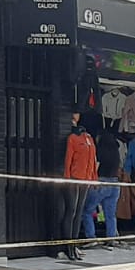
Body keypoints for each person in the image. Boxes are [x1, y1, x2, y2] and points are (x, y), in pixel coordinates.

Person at [59, 112, 97, 261]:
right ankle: (68, 246)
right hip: (74, 178)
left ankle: (74, 245)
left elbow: (93, 160)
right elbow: (68, 159)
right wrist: (67, 178)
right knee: (71, 211)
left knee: (79, 212)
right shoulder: (72, 139)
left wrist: (93, 178)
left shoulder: (89, 138)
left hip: (85, 179)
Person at [85, 125, 123, 246]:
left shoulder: (100, 149)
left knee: (87, 210)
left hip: (102, 182)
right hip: (115, 183)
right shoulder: (116, 150)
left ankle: (91, 238)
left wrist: (91, 181)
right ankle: (111, 238)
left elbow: (96, 166)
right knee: (110, 214)